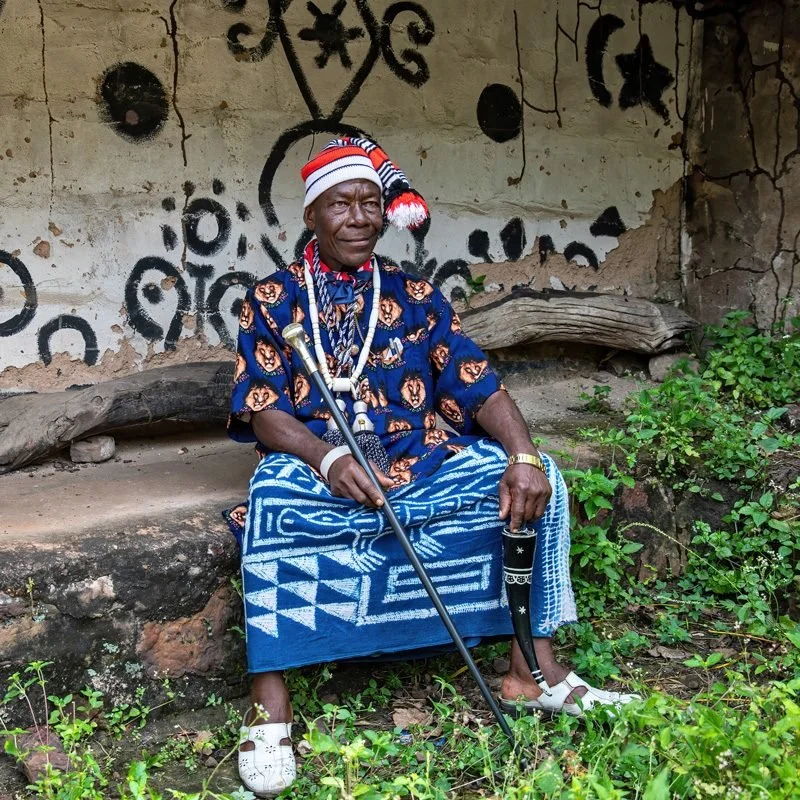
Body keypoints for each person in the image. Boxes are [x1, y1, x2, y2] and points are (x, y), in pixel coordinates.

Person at [225, 136, 637, 797]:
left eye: (371, 203)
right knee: (272, 499)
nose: (360, 217)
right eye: (341, 204)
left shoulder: (414, 294)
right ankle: (268, 705)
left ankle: (532, 673)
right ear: (311, 216)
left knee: (542, 482)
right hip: (317, 461)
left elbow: (478, 383)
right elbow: (263, 409)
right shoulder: (272, 300)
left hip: (417, 458)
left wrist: (523, 455)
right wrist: (328, 458)